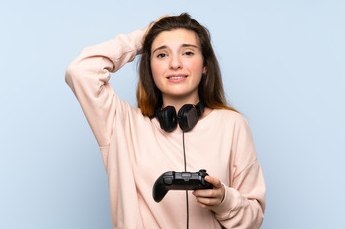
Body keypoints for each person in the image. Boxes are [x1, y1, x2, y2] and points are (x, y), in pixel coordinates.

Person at [65, 13, 266, 229]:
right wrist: (144, 36)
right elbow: (80, 71)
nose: (175, 64)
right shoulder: (120, 124)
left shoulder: (232, 125)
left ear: (205, 65)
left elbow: (253, 219)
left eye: (188, 52)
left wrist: (225, 201)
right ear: (149, 67)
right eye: (162, 55)